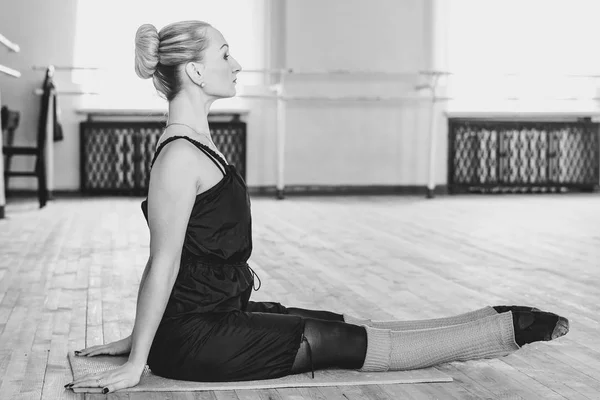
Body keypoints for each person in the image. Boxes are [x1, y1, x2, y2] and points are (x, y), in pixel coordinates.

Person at [64, 20, 569, 394]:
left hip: (217, 315)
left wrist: (134, 338)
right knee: (340, 345)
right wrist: (138, 360)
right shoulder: (178, 156)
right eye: (225, 55)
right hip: (196, 338)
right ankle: (501, 332)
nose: (236, 64)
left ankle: (489, 319)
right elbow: (164, 262)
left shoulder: (197, 142)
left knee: (339, 325)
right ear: (195, 70)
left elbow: (185, 259)